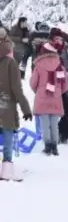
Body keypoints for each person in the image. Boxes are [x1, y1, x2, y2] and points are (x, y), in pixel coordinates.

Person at [29, 33, 68, 156]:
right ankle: (55, 146)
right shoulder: (59, 66)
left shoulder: (39, 65)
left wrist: (39, 90)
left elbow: (32, 82)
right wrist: (58, 91)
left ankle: (47, 145)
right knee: (54, 123)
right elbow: (65, 85)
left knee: (45, 123)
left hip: (42, 96)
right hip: (56, 96)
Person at [0, 28, 32, 180]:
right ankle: (6, 170)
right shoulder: (11, 63)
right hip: (6, 106)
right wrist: (26, 109)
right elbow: (16, 89)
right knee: (7, 137)